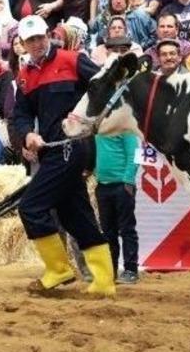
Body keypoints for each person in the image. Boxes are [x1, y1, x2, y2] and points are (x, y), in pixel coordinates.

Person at [11, 15, 115, 297]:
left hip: (73, 147)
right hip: (50, 151)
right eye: (30, 40)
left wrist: (93, 122)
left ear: (49, 35)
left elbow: (104, 85)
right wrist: (26, 135)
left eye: (40, 37)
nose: (37, 43)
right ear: (22, 43)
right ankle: (104, 280)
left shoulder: (72, 60)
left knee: (31, 207)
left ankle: (58, 270)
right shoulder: (24, 77)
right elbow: (20, 115)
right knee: (76, 213)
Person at [94, 126, 140, 284]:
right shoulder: (98, 129)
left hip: (122, 185)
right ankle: (110, 269)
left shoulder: (125, 128)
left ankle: (131, 270)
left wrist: (128, 180)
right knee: (108, 232)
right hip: (103, 186)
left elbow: (134, 153)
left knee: (127, 229)